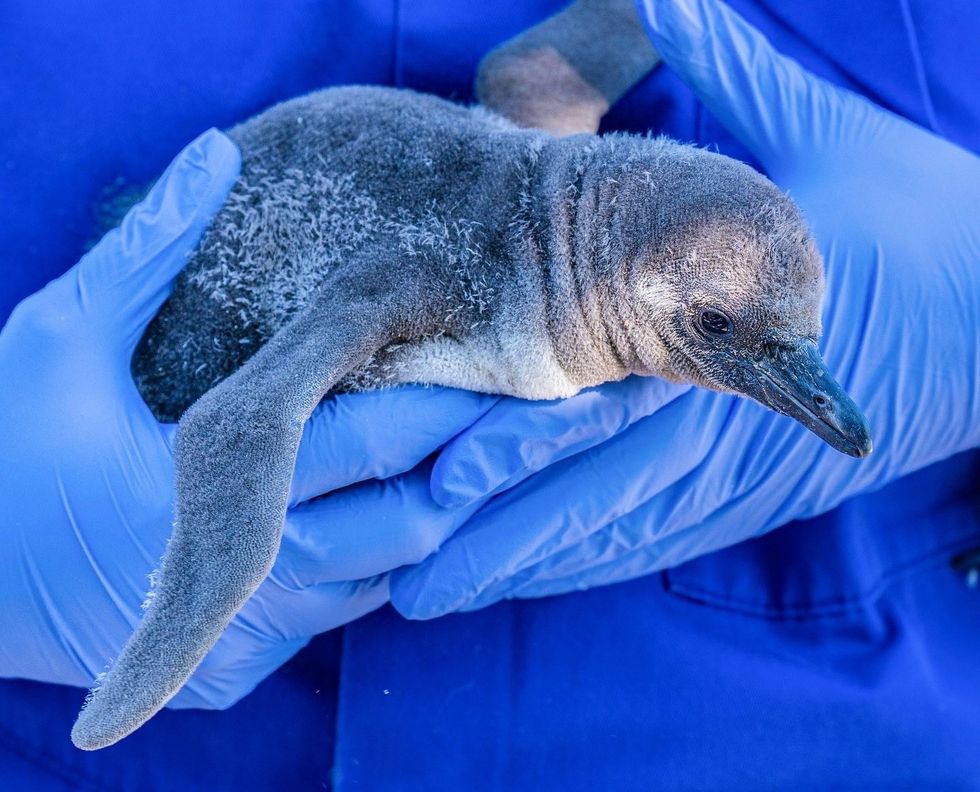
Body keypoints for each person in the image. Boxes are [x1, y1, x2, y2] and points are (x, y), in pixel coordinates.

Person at [1, 0, 977, 787]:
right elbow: (241, 417)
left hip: (776, 723)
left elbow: (531, 87)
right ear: (619, 287)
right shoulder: (443, 280)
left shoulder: (563, 182)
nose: (811, 396)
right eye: (718, 333)